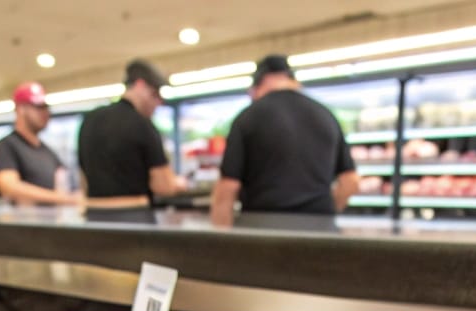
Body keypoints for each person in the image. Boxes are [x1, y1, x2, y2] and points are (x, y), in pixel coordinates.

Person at [209, 56, 358, 230]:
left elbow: (227, 189)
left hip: (262, 233)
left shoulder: (247, 118)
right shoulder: (326, 116)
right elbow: (351, 182)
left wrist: (222, 244)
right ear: (292, 80)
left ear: (257, 85)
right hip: (319, 234)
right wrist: (324, 214)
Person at [77, 59, 184, 220]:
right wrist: (179, 183)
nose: (158, 102)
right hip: (133, 217)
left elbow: (84, 177)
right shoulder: (142, 124)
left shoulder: (90, 119)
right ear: (140, 85)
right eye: (155, 94)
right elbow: (163, 186)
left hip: (93, 216)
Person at [0, 83, 78, 206]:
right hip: (20, 223)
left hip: (50, 223)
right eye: (38, 107)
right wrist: (63, 199)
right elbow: (9, 188)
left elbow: (62, 180)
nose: (45, 113)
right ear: (20, 109)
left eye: (46, 107)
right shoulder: (5, 147)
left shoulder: (48, 152)